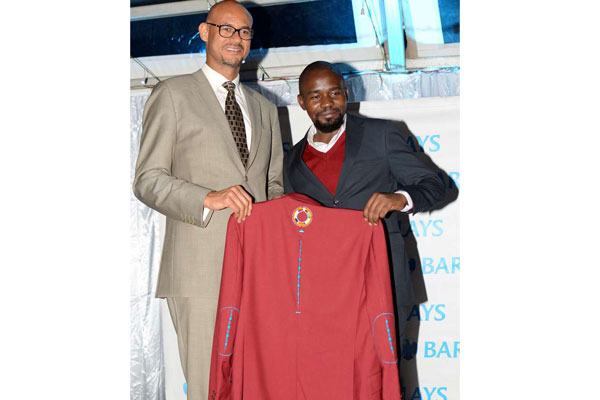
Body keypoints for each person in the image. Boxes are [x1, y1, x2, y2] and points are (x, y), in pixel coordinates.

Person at [133, 1, 284, 399]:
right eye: (227, 29)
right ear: (204, 32)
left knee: (257, 383)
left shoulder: (267, 109)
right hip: (198, 270)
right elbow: (147, 180)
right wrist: (207, 198)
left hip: (258, 272)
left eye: (245, 32)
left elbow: (274, 186)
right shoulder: (173, 94)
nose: (237, 39)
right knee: (207, 387)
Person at [283, 61, 446, 349]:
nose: (326, 103)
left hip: (383, 285)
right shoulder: (291, 161)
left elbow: (434, 185)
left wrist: (399, 198)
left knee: (385, 384)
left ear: (346, 93)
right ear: (301, 102)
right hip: (322, 297)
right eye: (315, 96)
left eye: (334, 93)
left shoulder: (381, 134)